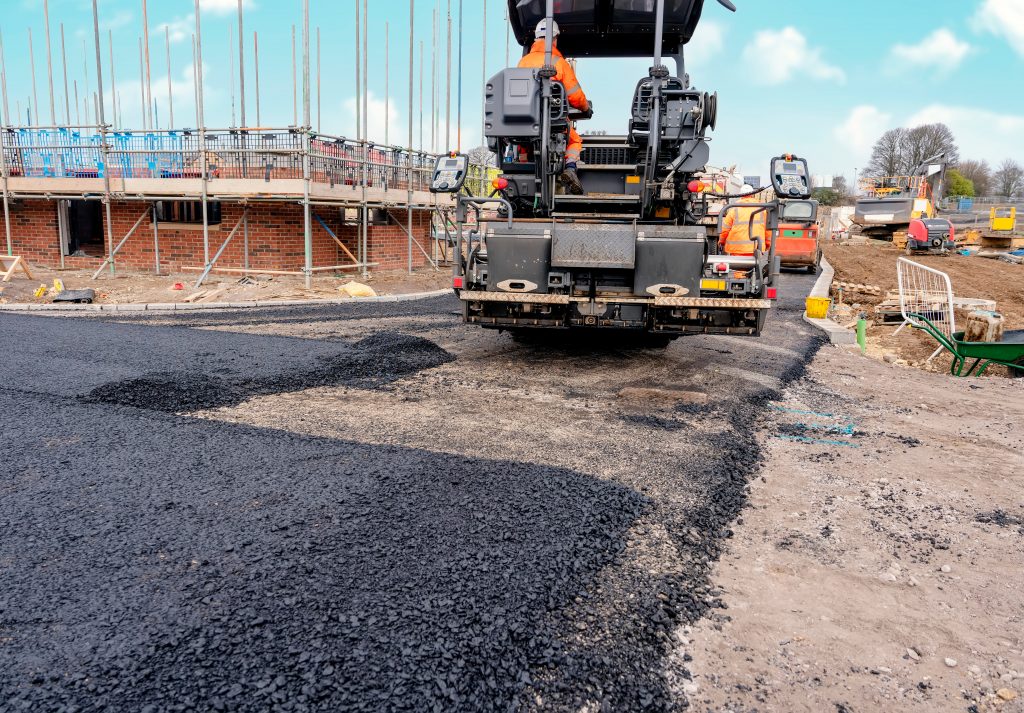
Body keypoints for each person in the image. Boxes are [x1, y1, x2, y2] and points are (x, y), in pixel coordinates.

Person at [518, 19, 589, 195]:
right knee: (574, 140)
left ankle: (523, 163)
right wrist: (586, 108)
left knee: (522, 143)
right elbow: (575, 95)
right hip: (554, 123)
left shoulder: (522, 63)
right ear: (554, 38)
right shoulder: (559, 62)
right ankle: (570, 168)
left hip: (525, 123)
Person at [718, 186, 767, 255]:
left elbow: (725, 229)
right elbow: (767, 230)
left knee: (738, 265)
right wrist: (766, 244)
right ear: (752, 195)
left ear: (741, 195)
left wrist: (721, 242)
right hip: (756, 248)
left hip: (736, 249)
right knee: (755, 265)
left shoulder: (734, 209)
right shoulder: (762, 209)